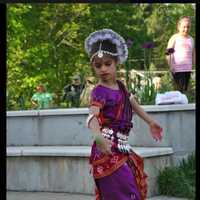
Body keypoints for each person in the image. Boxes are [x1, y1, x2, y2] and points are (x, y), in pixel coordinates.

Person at [84, 29, 163, 200]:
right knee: (121, 192)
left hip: (121, 149)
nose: (103, 69)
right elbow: (92, 117)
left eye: (107, 63)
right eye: (98, 66)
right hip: (106, 150)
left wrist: (151, 122)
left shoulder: (121, 86)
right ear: (93, 68)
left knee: (130, 187)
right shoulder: (99, 92)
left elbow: (132, 103)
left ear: (116, 63)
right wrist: (98, 137)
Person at [166, 16, 195, 93]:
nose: (186, 29)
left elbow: (193, 54)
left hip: (188, 69)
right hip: (177, 69)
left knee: (185, 90)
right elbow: (168, 53)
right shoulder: (174, 38)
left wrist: (193, 66)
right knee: (179, 90)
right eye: (184, 27)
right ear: (178, 27)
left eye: (188, 27)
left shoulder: (191, 39)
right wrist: (171, 65)